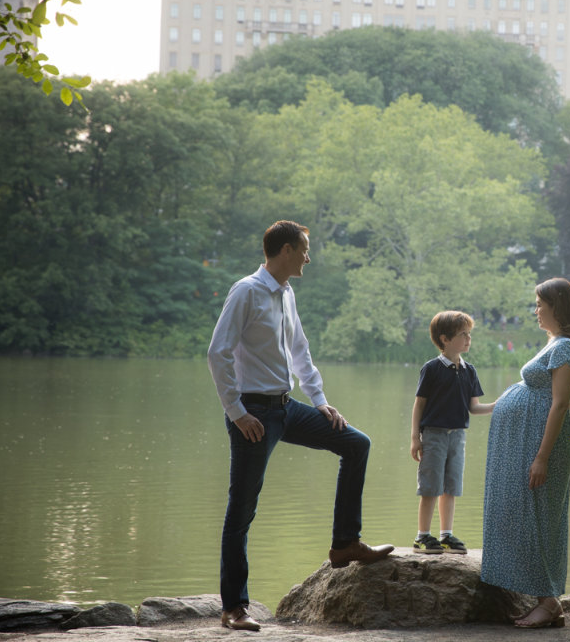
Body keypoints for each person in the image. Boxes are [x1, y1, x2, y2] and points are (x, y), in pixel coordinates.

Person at [207, 220, 393, 632]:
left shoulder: (286, 293)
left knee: (356, 443)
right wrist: (237, 412)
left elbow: (300, 352)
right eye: (305, 250)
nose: (309, 257)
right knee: (242, 509)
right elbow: (217, 353)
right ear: (287, 250)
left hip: (286, 408)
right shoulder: (247, 291)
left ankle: (345, 543)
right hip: (253, 415)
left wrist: (322, 403)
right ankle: (233, 608)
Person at [479, 277, 570, 628]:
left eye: (540, 304)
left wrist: (542, 456)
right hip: (526, 441)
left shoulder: (565, 348)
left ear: (556, 306)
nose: (536, 310)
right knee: (518, 512)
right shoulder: (555, 343)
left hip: (539, 444)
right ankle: (543, 599)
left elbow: (561, 405)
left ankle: (549, 603)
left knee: (536, 517)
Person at [410, 310, 495, 555]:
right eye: (462, 334)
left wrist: (499, 406)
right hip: (434, 435)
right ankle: (422, 536)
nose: (468, 339)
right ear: (445, 339)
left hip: (458, 436)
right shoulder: (432, 368)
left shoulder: (469, 371)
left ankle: (446, 534)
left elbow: (474, 407)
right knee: (430, 487)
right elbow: (420, 404)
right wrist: (416, 437)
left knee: (451, 486)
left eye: (469, 334)